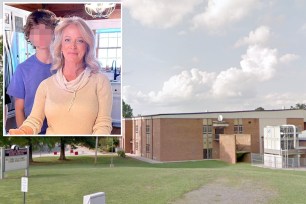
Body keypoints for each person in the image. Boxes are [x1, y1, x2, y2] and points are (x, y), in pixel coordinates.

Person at [9, 16, 113, 135]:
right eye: (67, 40)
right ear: (60, 45)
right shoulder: (45, 85)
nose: (73, 46)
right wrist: (22, 132)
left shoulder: (101, 82)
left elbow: (103, 123)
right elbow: (34, 120)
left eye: (80, 40)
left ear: (87, 46)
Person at [7, 9, 58, 134]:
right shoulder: (22, 69)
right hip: (35, 130)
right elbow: (19, 109)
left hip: (60, 128)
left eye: (45, 30)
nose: (40, 36)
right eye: (35, 31)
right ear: (29, 36)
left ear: (54, 33)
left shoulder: (65, 65)